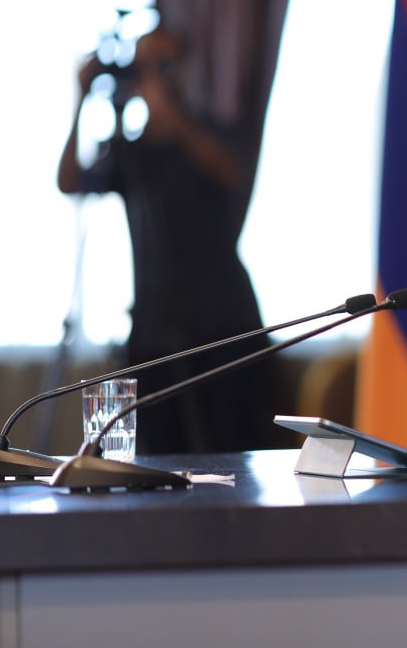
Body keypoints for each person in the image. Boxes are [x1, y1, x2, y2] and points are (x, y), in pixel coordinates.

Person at [58, 26, 277, 454]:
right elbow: (69, 182)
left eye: (161, 65)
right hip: (153, 331)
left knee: (233, 454)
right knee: (157, 459)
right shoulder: (131, 152)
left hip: (221, 328)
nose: (151, 76)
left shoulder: (209, 132)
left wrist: (169, 115)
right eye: (143, 66)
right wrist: (80, 100)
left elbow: (231, 172)